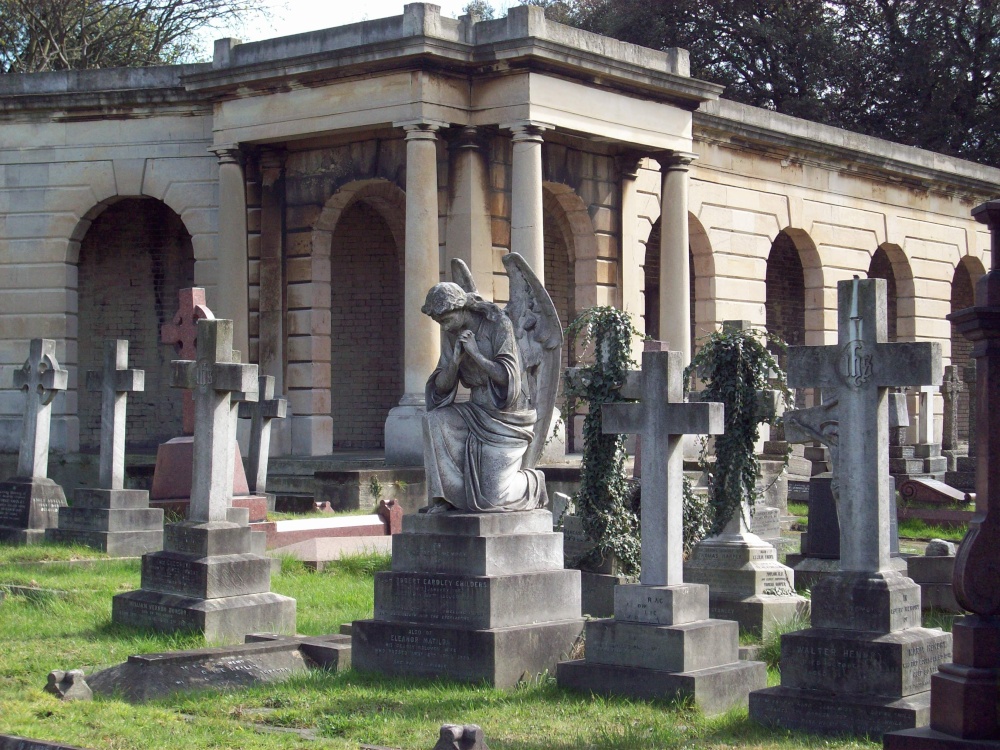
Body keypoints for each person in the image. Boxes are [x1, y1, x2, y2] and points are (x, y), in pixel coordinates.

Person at [421, 282, 547, 512]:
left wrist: (476, 354)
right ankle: (447, 498)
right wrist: (454, 362)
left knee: (491, 499)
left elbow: (508, 379)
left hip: (507, 416)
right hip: (476, 409)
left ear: (461, 309)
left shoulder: (498, 324)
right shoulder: (450, 333)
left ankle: (533, 484)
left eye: (446, 319)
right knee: (434, 420)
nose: (443, 326)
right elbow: (440, 388)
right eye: (439, 322)